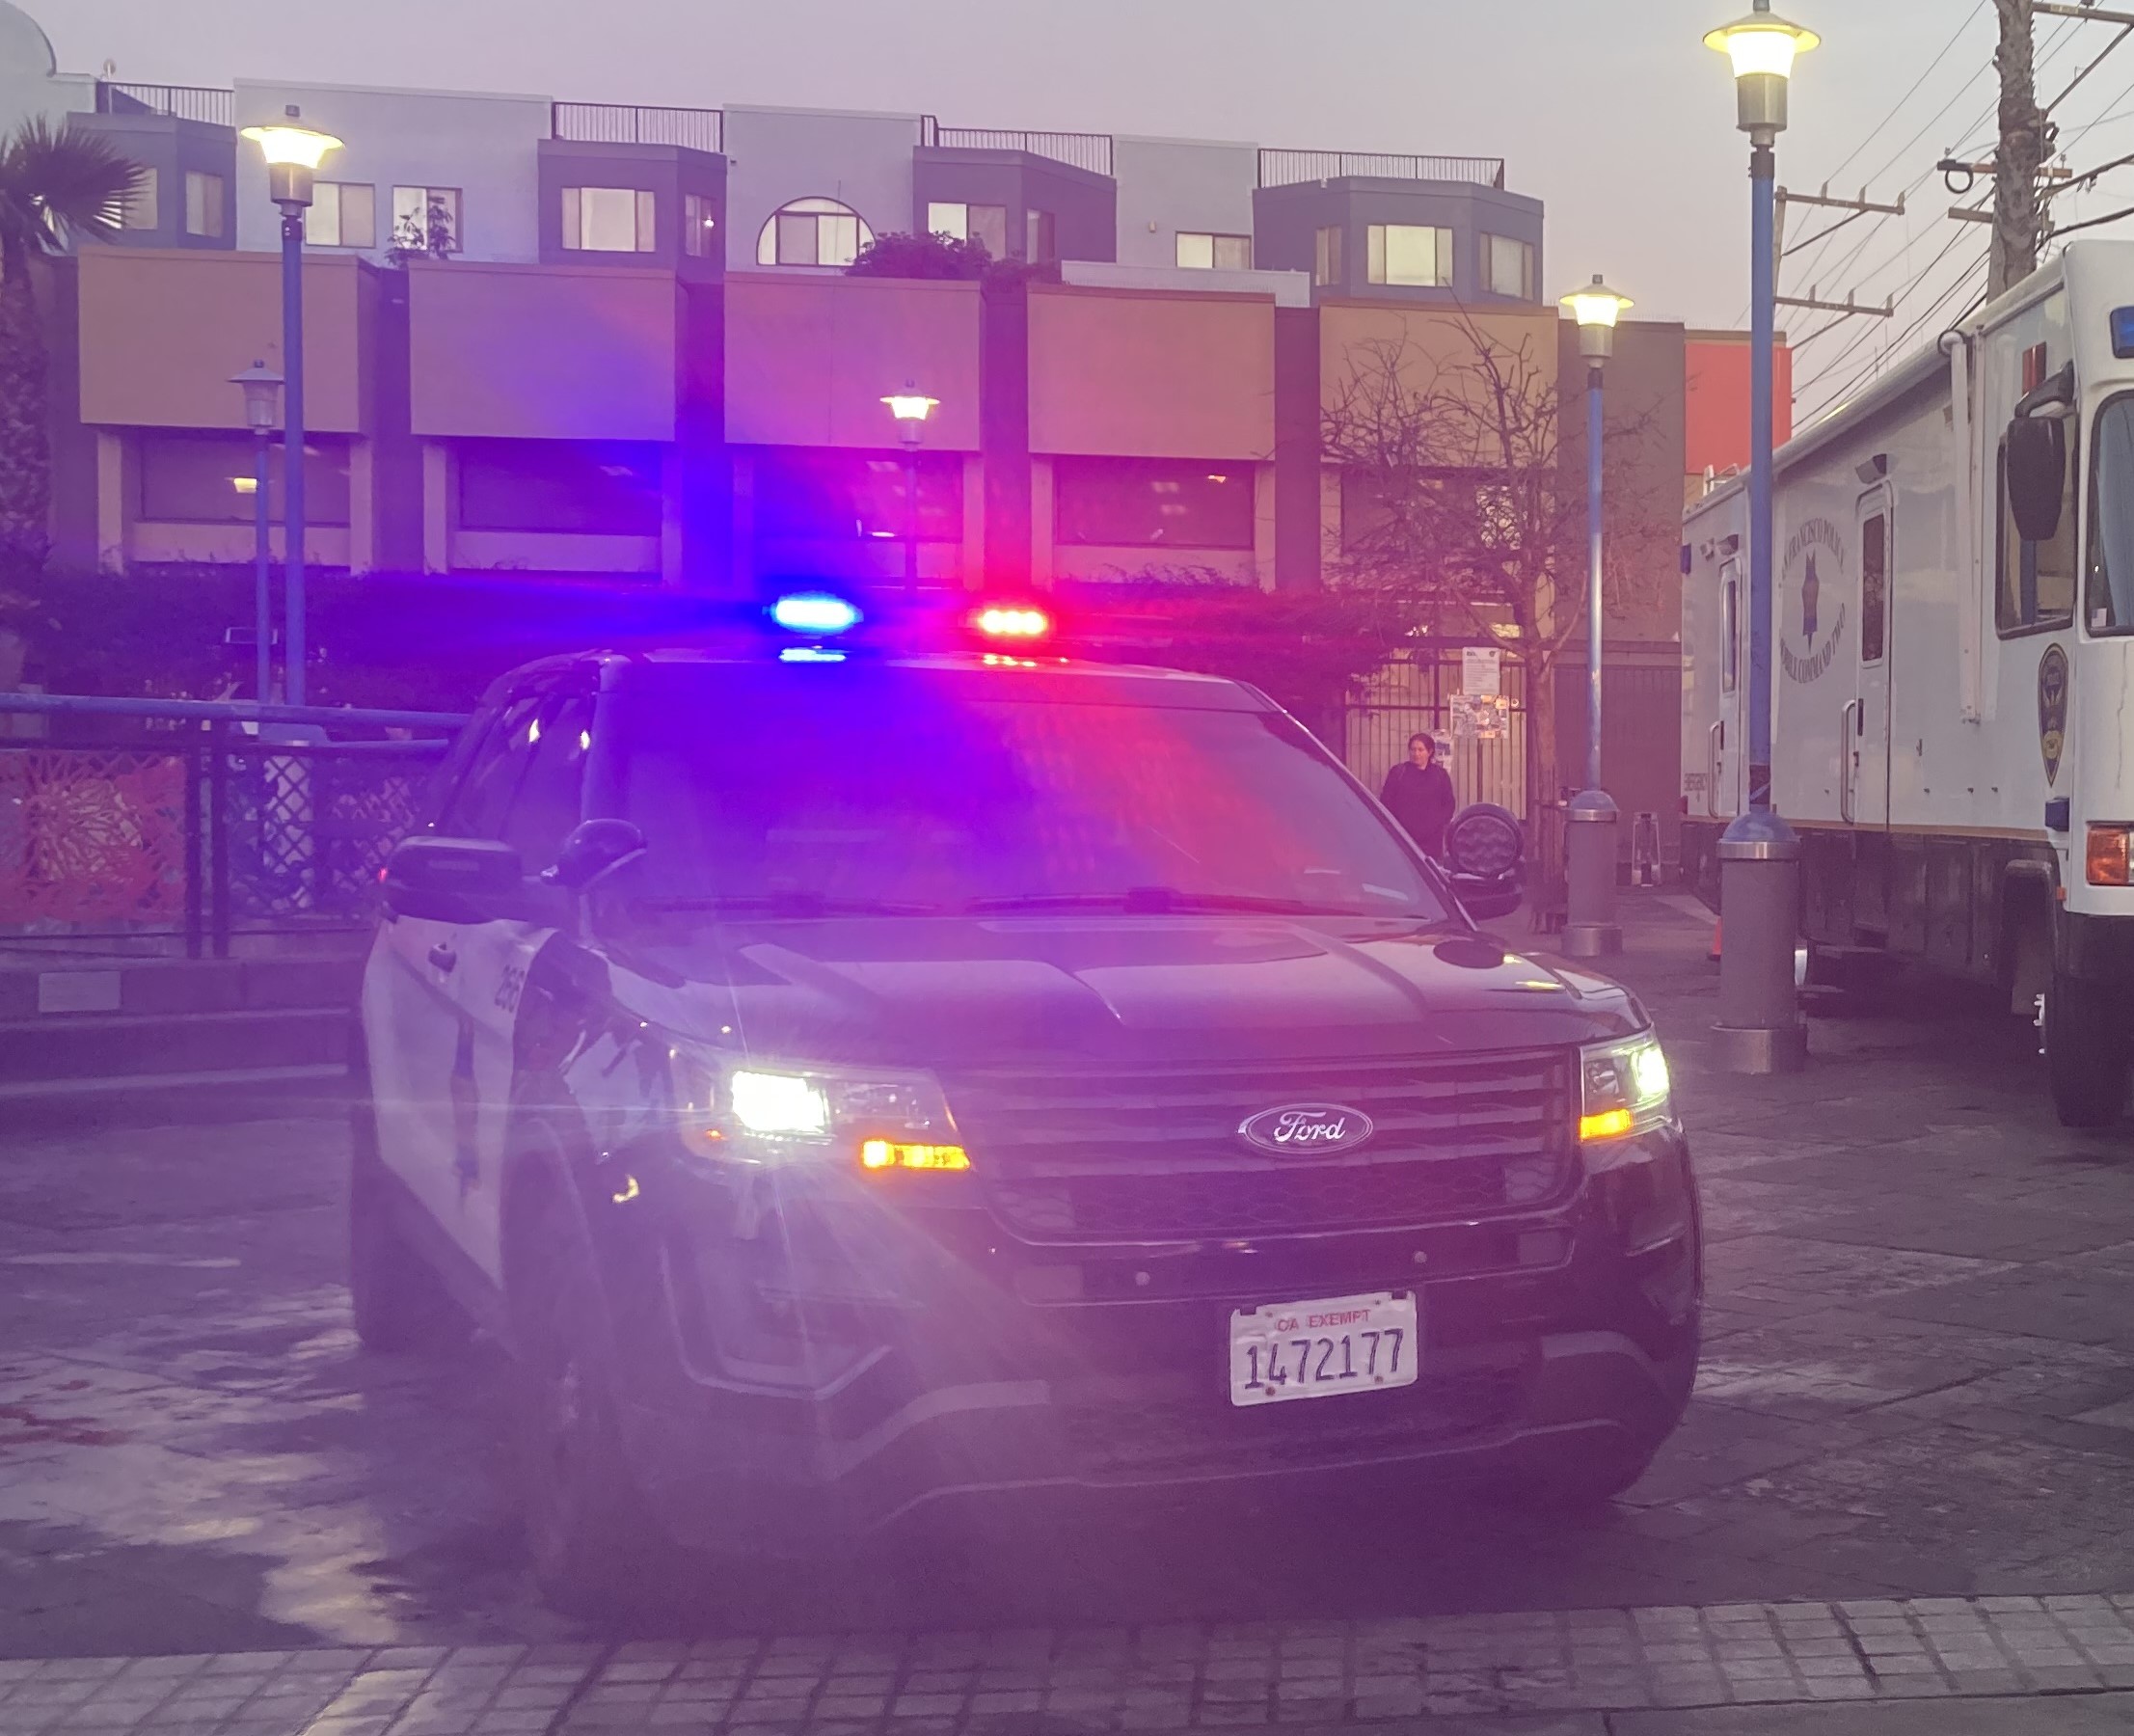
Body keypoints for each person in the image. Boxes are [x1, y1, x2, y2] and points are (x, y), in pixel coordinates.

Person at [1380, 732, 1457, 860]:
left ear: (1430, 751)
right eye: (1413, 749)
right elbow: (1386, 801)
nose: (1416, 754)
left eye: (1420, 750)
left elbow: (1449, 804)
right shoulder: (1398, 772)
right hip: (1403, 837)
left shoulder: (1440, 775)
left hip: (1431, 841)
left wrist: (1437, 824)